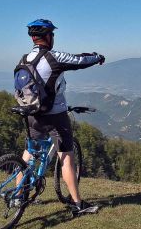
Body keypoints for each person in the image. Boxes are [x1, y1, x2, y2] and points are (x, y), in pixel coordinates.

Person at [15, 19, 105, 217]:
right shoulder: (54, 57)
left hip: (31, 113)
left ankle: (17, 196)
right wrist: (98, 57)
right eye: (52, 35)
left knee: (29, 152)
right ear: (47, 37)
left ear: (32, 37)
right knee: (66, 157)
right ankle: (77, 204)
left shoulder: (24, 59)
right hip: (55, 115)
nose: (53, 38)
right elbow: (80, 60)